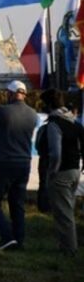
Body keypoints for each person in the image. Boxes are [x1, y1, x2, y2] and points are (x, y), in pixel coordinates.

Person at [0, 80, 39, 251]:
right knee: (17, 204)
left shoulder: (2, 112)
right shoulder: (33, 114)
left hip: (4, 163)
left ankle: (6, 236)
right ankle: (19, 239)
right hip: (24, 163)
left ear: (11, 94)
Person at [35, 89, 84, 255]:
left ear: (48, 105)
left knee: (63, 214)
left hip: (61, 172)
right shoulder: (73, 121)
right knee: (68, 209)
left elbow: (55, 152)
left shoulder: (54, 124)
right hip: (75, 170)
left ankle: (69, 249)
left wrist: (52, 171)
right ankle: (67, 245)